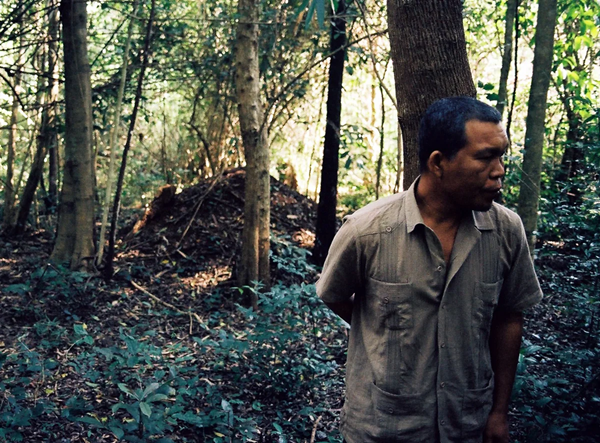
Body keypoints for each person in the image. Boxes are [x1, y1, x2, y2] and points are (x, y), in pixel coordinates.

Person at [316, 97, 543, 443]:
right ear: (438, 162)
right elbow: (333, 294)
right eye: (485, 157)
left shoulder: (506, 231)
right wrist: (382, 327)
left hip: (467, 424)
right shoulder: (367, 231)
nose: (499, 170)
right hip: (384, 428)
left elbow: (510, 317)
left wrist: (498, 412)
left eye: (501, 156)